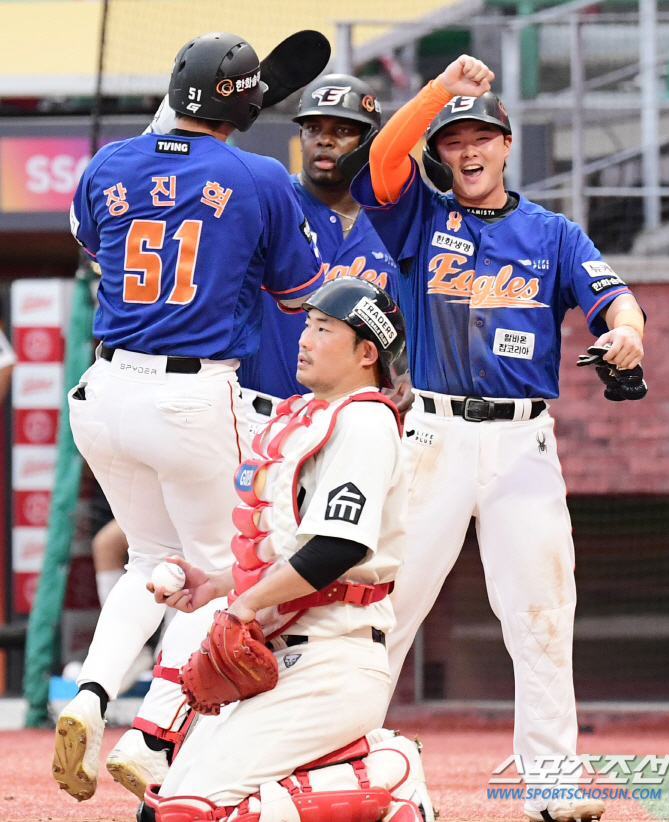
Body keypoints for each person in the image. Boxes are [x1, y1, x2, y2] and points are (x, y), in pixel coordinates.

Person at [350, 54, 646, 822]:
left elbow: (615, 301)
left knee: (543, 616)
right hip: (434, 436)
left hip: (523, 445)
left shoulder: (551, 232)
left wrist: (628, 336)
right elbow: (382, 155)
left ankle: (551, 789)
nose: (469, 149)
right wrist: (442, 92)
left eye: (482, 135)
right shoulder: (420, 217)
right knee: (383, 610)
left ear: (507, 144)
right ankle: (338, 769)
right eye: (454, 140)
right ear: (442, 154)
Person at [52, 31, 323, 803]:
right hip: (193, 396)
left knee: (151, 562)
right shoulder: (261, 174)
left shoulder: (108, 163)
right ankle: (154, 731)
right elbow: (300, 293)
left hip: (105, 392)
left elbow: (93, 243)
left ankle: (91, 696)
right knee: (228, 572)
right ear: (242, 106)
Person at [143, 278, 431, 822]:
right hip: (282, 655)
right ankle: (352, 775)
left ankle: (389, 776)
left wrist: (244, 606)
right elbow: (287, 548)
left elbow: (336, 548)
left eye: (324, 329)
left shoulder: (365, 419)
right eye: (306, 324)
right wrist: (217, 584)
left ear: (367, 353)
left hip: (333, 657)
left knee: (194, 813)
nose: (305, 338)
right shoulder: (315, 417)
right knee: (159, 809)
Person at [238, 73, 410, 433]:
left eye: (343, 131)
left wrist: (412, 373)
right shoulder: (269, 202)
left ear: (369, 141)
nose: (325, 141)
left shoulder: (396, 221)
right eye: (313, 128)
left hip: (357, 423)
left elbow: (412, 320)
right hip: (261, 416)